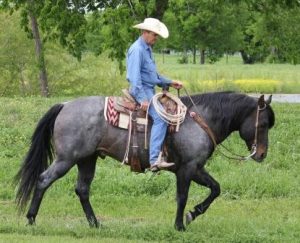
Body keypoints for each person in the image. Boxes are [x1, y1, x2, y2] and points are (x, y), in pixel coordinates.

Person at [126, 18, 183, 172]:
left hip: (149, 90)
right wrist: (142, 98)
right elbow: (134, 77)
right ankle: (154, 160)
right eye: (154, 35)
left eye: (157, 35)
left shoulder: (147, 48)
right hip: (142, 91)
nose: (156, 38)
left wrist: (170, 82)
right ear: (145, 32)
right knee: (161, 118)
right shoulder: (137, 49)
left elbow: (152, 76)